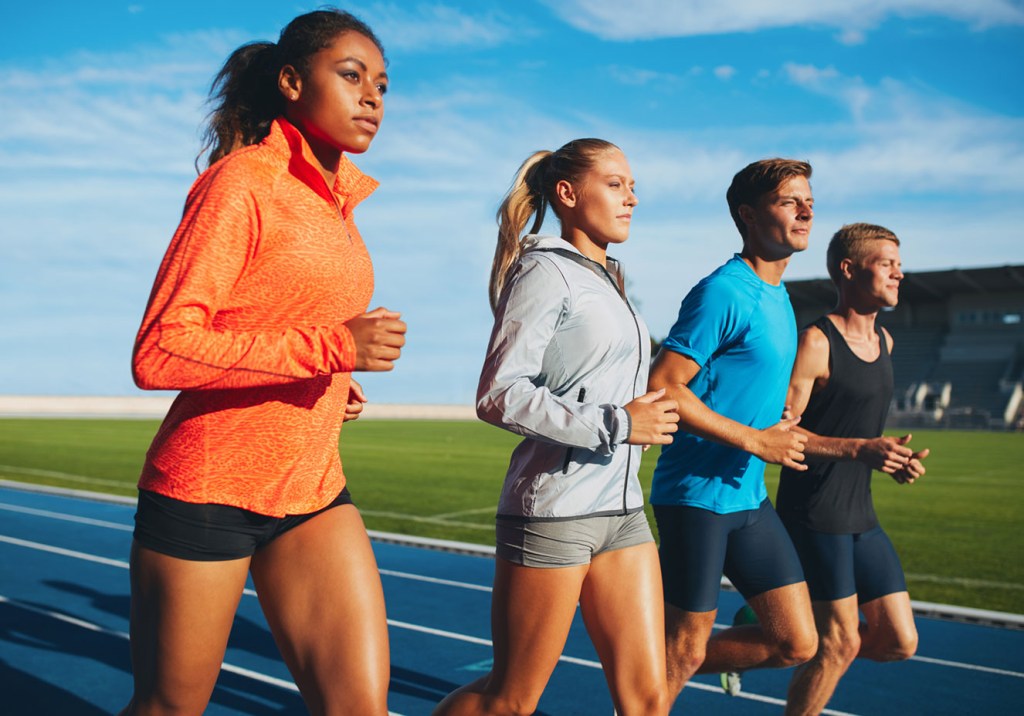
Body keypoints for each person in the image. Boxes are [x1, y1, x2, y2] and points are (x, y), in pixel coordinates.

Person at [121, 9, 406, 715]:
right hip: (209, 492)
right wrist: (334, 349)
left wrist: (331, 383)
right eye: (350, 76)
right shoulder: (242, 185)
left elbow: (276, 330)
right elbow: (160, 350)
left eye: (382, 85)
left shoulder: (340, 206)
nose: (371, 97)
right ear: (289, 82)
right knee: (169, 708)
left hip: (311, 491)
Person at [433, 139, 679, 716]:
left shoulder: (608, 280)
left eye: (633, 186)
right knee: (511, 700)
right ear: (567, 195)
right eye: (616, 185)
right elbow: (499, 394)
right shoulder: (544, 271)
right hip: (555, 514)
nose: (632, 198)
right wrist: (619, 422)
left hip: (623, 511)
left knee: (647, 698)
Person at [648, 158, 820, 703]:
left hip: (748, 498)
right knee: (683, 646)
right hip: (696, 497)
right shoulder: (724, 290)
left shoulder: (781, 297)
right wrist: (755, 440)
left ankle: (648, 667)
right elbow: (665, 385)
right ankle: (653, 676)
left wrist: (778, 425)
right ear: (748, 215)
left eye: (809, 200)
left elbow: (742, 390)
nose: (806, 209)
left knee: (797, 642)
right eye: (790, 200)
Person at [777, 223, 927, 715]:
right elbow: (783, 435)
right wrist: (860, 449)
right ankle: (780, 636)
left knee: (898, 641)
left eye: (898, 265)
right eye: (887, 264)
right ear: (849, 269)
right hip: (813, 512)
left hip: (861, 512)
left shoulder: (885, 341)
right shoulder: (817, 342)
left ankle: (770, 636)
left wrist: (892, 460)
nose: (899, 274)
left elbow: (865, 436)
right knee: (839, 644)